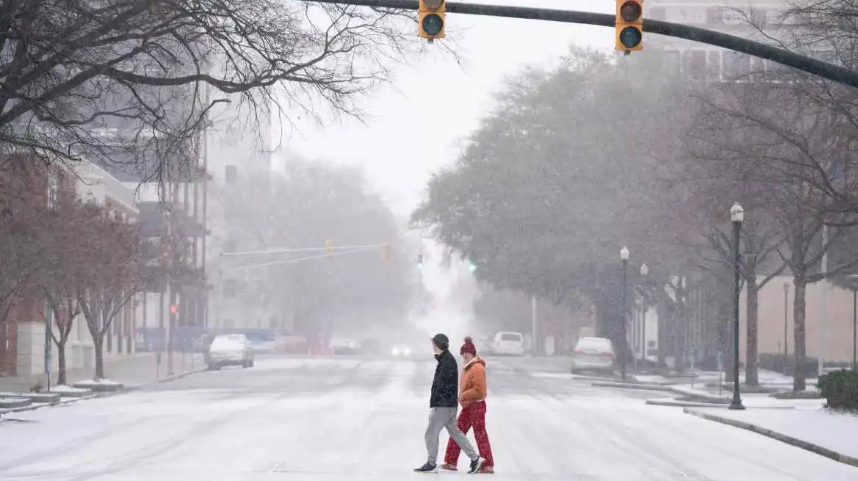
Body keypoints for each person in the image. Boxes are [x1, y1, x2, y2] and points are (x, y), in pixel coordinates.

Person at [414, 333, 486, 474]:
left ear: (438, 345)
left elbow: (445, 386)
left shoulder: (447, 362)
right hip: (448, 404)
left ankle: (431, 462)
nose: (432, 346)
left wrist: (439, 403)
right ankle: (475, 459)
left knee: (431, 433)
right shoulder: (445, 360)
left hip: (444, 405)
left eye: (434, 343)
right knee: (456, 433)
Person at [441, 337, 494, 474]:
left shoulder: (477, 367)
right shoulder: (467, 367)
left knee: (480, 434)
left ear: (473, 353)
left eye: (468, 352)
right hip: (468, 407)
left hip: (477, 406)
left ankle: (487, 465)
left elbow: (480, 390)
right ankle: (451, 462)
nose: (465, 354)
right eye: (463, 352)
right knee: (457, 431)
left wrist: (463, 396)